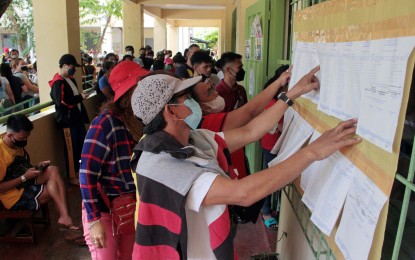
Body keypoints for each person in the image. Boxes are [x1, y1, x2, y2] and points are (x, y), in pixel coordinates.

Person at [129, 68, 361, 259]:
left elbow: (251, 130)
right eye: (185, 98)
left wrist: (290, 95)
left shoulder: (192, 139)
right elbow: (243, 192)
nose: (193, 101)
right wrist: (312, 152)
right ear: (171, 111)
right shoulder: (162, 163)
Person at [80, 61, 150, 259]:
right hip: (104, 211)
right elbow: (86, 175)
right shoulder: (105, 123)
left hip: (129, 208)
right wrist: (94, 220)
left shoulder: (139, 121)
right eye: (140, 87)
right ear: (128, 95)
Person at [0, 114, 84, 245]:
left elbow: (20, 168)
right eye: (22, 138)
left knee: (53, 170)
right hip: (13, 196)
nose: (24, 140)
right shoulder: (1, 152)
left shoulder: (16, 144)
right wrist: (24, 177)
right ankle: (67, 221)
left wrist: (36, 168)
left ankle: (65, 218)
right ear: (10, 135)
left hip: (24, 183)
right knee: (54, 188)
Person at [49, 54, 90, 186]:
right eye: (72, 67)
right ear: (65, 66)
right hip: (67, 121)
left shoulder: (70, 79)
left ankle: (80, 172)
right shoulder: (58, 82)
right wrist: (80, 98)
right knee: (71, 149)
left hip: (76, 118)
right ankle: (72, 176)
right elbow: (61, 102)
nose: (74, 70)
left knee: (81, 146)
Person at [259, 65, 290, 229]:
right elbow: (278, 125)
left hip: (277, 146)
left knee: (274, 180)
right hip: (272, 146)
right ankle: (266, 213)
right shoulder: (274, 100)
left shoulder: (280, 97)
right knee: (269, 181)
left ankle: (271, 210)